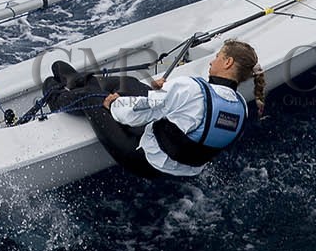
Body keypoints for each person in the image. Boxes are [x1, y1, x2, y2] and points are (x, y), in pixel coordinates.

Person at [42, 39, 265, 179]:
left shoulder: (190, 88)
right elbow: (191, 117)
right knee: (128, 83)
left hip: (143, 159)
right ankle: (81, 81)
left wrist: (113, 104)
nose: (211, 62)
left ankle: (60, 91)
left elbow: (135, 114)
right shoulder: (240, 106)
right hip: (183, 170)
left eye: (217, 57)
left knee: (87, 96)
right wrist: (163, 93)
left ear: (227, 63)